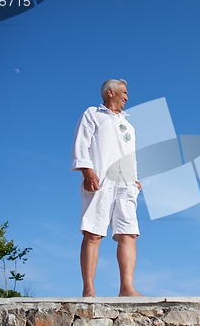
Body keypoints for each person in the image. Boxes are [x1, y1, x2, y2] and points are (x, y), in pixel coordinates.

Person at [71, 79, 142, 297]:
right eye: (124, 92)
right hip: (100, 180)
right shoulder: (93, 114)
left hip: (126, 184)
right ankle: (89, 289)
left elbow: (131, 153)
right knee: (93, 233)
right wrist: (86, 170)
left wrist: (136, 180)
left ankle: (126, 288)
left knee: (129, 233)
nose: (127, 97)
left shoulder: (129, 125)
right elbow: (81, 143)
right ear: (110, 93)